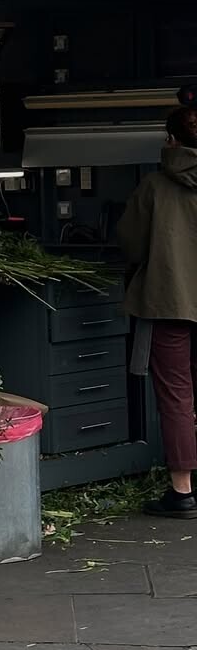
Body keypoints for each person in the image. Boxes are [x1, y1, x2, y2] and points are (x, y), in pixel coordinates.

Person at [118, 105, 197, 518]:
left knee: (177, 397)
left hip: (170, 302)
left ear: (170, 140)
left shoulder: (153, 186)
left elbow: (130, 245)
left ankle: (183, 493)